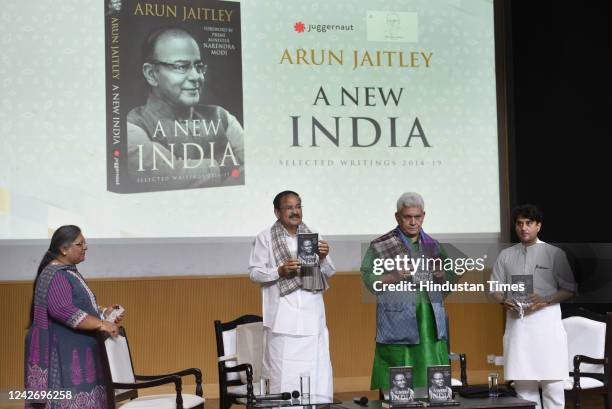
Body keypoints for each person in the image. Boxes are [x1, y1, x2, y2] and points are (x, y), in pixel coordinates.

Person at [361, 192, 456, 393]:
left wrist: (441, 276)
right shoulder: (381, 245)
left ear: (424, 216)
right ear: (397, 217)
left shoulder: (434, 245)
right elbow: (369, 281)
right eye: (407, 217)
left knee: (432, 385)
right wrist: (392, 276)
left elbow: (449, 277)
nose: (413, 222)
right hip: (398, 321)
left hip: (429, 321)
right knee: (399, 386)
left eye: (417, 217)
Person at [127, 27, 244, 188]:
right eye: (181, 67)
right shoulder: (132, 127)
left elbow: (256, 166)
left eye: (199, 66)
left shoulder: (222, 117)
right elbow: (166, 176)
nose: (196, 76)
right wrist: (227, 166)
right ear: (151, 74)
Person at [249, 191, 335, 399]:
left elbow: (330, 271)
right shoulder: (265, 237)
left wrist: (322, 258)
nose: (295, 211)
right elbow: (254, 273)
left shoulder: (312, 234)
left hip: (312, 316)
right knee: (283, 373)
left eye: (298, 206)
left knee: (315, 374)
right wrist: (279, 271)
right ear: (277, 212)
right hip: (282, 319)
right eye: (289, 208)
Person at [24, 225, 122, 409]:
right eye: (80, 243)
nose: (85, 247)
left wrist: (103, 313)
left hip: (75, 350)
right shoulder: (56, 275)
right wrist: (101, 324)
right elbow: (63, 310)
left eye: (85, 243)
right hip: (63, 354)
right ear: (64, 249)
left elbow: (81, 306)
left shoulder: (67, 271)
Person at [490, 204, 576, 409]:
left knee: (553, 387)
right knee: (524, 389)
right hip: (518, 328)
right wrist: (503, 300)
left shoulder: (554, 253)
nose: (523, 228)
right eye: (519, 223)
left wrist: (545, 300)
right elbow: (494, 288)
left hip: (547, 328)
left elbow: (570, 289)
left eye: (529, 223)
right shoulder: (506, 255)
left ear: (538, 226)